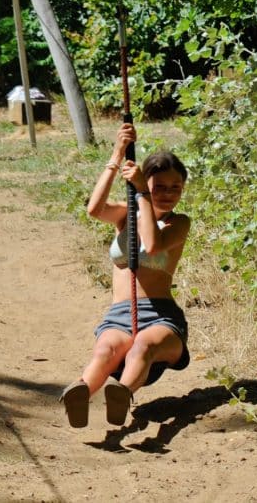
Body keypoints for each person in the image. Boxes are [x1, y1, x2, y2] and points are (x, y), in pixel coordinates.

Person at [60, 122, 192, 428]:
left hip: (160, 317)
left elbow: (153, 244)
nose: (168, 194)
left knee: (143, 346)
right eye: (159, 186)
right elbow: (94, 209)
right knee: (106, 349)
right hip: (120, 314)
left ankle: (121, 394)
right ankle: (80, 393)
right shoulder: (125, 215)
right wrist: (117, 153)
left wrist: (143, 193)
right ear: (146, 183)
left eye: (176, 188)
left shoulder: (179, 223)